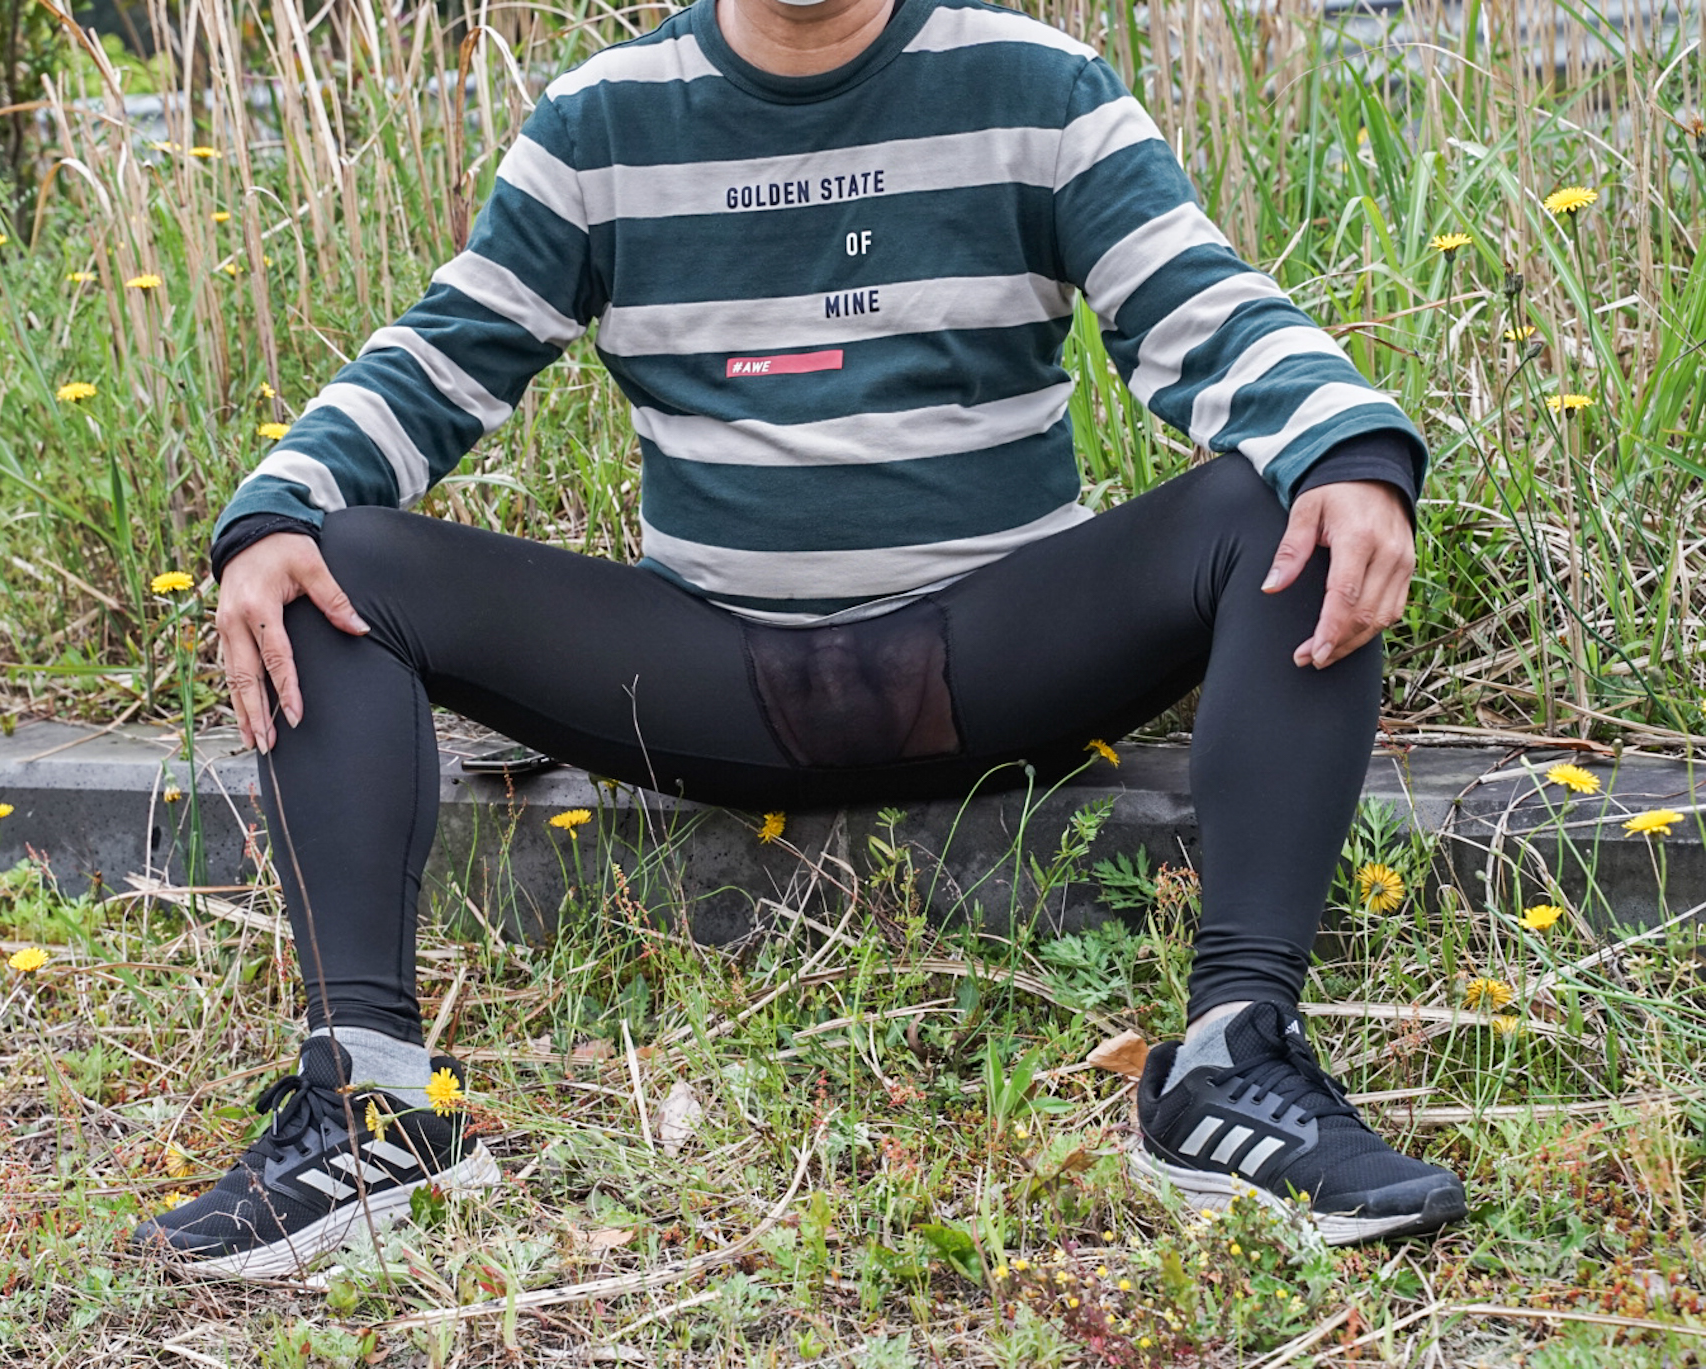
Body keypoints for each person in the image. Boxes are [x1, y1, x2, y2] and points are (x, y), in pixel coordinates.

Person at [131, 0, 1466, 1276]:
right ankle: (368, 1108)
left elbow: (1206, 308)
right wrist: (272, 508)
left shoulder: (1037, 87)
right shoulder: (602, 122)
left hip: (1002, 659)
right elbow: (438, 359)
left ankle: (1232, 1061)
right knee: (317, 555)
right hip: (711, 674)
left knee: (1294, 490)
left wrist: (1349, 447)